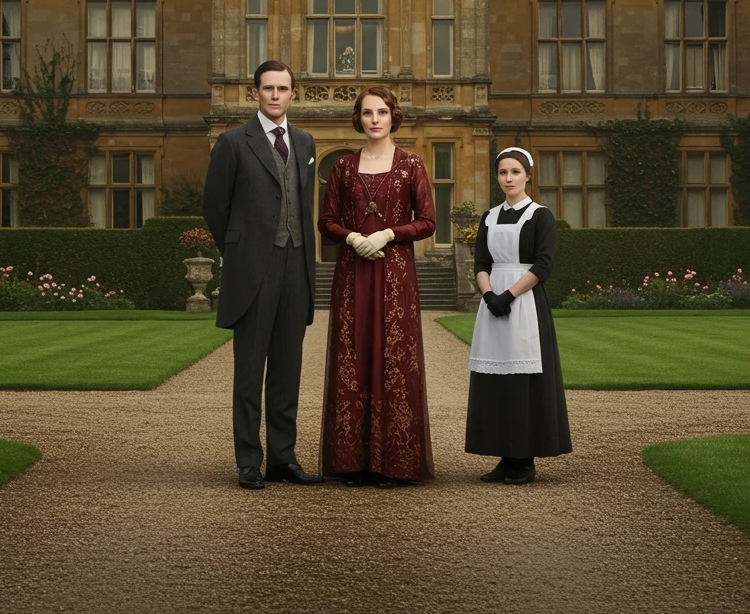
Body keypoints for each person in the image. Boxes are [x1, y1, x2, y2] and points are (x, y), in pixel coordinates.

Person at [203, 61, 324, 490]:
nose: (275, 95)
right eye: (268, 88)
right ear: (255, 93)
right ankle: (249, 462)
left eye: (283, 88)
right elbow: (215, 208)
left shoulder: (306, 142)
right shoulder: (234, 142)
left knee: (288, 372)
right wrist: (240, 252)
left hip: (297, 266)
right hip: (254, 268)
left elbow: (303, 205)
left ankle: (283, 459)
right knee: (250, 372)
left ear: (294, 94)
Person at [318, 86, 437, 486]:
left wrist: (388, 234)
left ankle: (395, 463)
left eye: (381, 112)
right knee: (354, 355)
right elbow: (326, 220)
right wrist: (351, 238)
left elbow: (428, 222)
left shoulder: (411, 165)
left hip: (395, 273)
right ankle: (352, 462)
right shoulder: (343, 168)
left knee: (393, 358)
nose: (374, 119)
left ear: (392, 117)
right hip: (353, 273)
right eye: (367, 113)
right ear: (358, 118)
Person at [466, 147, 572, 484]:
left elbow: (543, 265)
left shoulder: (540, 215)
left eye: (514, 172)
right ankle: (504, 456)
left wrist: (509, 295)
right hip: (493, 303)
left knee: (524, 382)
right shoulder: (489, 216)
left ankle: (524, 459)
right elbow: (481, 262)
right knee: (496, 382)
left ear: (528, 175)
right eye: (502, 173)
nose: (508, 178)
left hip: (525, 304)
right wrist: (489, 295)